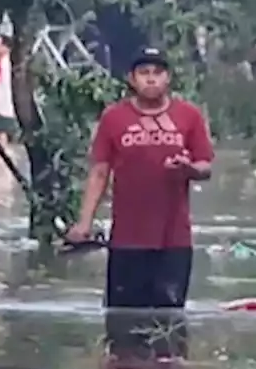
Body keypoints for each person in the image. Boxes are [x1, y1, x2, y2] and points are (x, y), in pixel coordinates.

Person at [67, 47, 214, 310]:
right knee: (122, 320)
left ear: (168, 78)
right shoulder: (113, 118)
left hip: (175, 241)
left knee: (169, 323)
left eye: (157, 73)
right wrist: (84, 223)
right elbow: (100, 172)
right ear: (132, 79)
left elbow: (206, 166)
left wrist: (188, 168)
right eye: (144, 73)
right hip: (126, 240)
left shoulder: (189, 116)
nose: (151, 79)